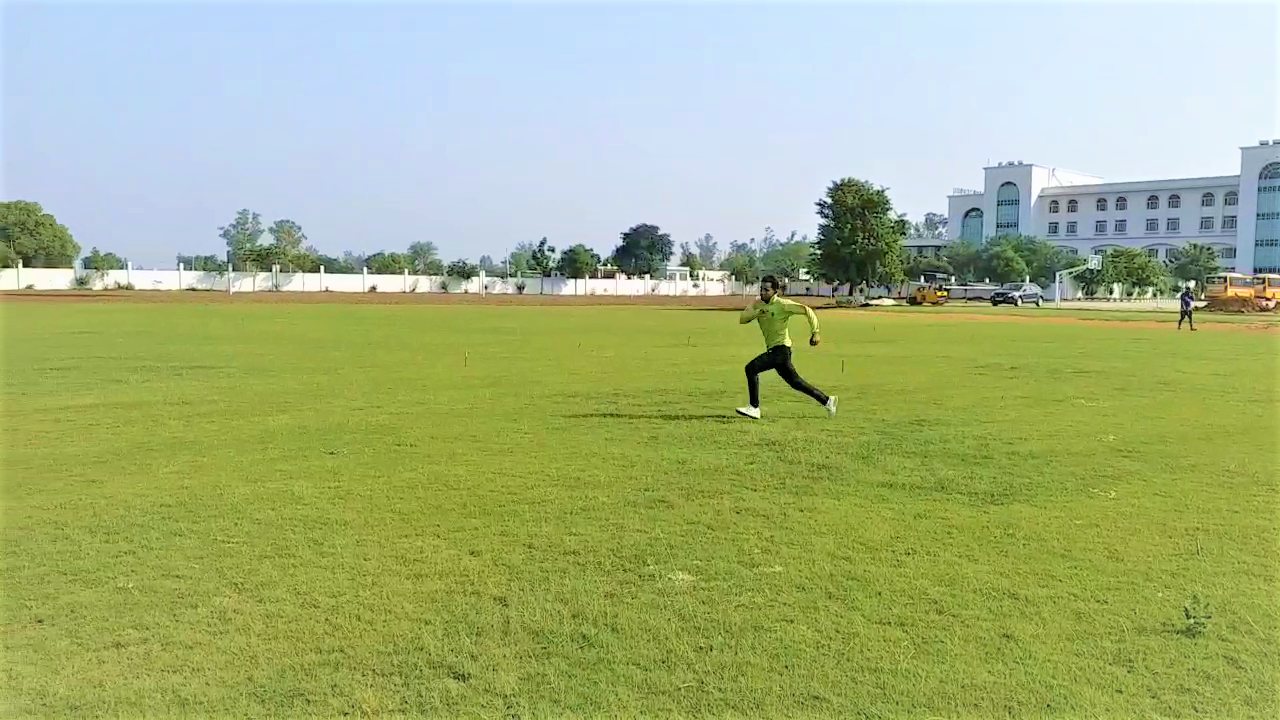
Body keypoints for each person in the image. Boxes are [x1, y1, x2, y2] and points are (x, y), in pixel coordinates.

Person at [736, 275, 837, 419]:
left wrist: (816, 332)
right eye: (761, 289)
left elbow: (807, 310)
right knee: (796, 383)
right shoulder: (758, 304)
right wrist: (757, 312)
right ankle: (828, 401)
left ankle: (754, 408)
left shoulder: (783, 305)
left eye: (766, 290)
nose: (762, 292)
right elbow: (742, 319)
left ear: (775, 291)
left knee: (751, 368)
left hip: (781, 349)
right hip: (774, 350)